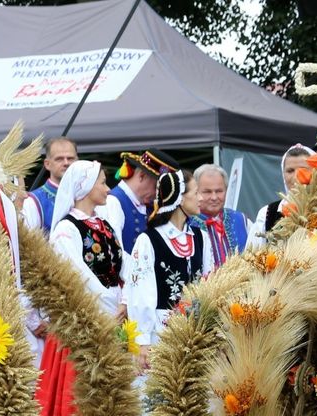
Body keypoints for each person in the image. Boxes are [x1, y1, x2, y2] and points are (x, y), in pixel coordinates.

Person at [35, 160, 123, 416]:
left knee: (97, 391)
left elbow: (123, 264)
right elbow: (78, 276)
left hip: (109, 315)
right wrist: (111, 304)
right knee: (74, 392)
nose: (107, 187)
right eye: (102, 182)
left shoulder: (104, 224)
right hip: (81, 320)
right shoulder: (65, 230)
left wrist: (126, 299)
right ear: (85, 187)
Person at [125, 169, 211, 365]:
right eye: (196, 192)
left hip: (195, 333)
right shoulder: (149, 240)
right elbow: (140, 292)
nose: (201, 198)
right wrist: (142, 341)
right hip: (160, 334)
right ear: (179, 198)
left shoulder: (201, 237)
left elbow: (209, 283)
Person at [105, 149, 179, 255]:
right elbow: (116, 253)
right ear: (142, 176)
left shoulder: (150, 207)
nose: (157, 195)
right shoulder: (113, 202)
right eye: (156, 187)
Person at [188, 164, 254, 268]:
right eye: (207, 192)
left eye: (219, 191)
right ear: (196, 192)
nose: (214, 197)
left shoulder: (242, 221)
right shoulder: (187, 224)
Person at [251, 144, 316, 241]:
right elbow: (252, 254)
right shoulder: (267, 214)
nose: (295, 177)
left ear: (315, 172)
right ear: (283, 174)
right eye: (290, 171)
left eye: (303, 170)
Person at [21, 137, 78, 231]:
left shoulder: (88, 195)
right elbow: (29, 242)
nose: (66, 163)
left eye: (70, 158)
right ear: (47, 164)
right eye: (59, 159)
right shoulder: (33, 201)